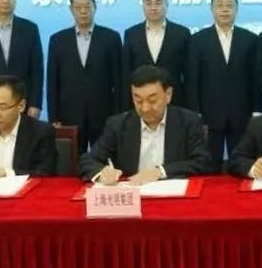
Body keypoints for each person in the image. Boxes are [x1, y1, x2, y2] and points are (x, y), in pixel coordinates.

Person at [79, 65, 210, 183]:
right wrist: (102, 172)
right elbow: (88, 160)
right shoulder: (118, 125)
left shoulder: (189, 122)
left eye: (152, 100)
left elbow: (202, 162)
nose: (145, 108)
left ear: (168, 94)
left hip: (174, 194)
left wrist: (160, 172)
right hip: (133, 194)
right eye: (138, 101)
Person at [187, 0, 262, 172]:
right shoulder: (198, 40)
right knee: (209, 166)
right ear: (212, 9)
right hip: (209, 114)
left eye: (229, 5)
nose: (225, 10)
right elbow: (192, 79)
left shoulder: (250, 39)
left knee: (242, 165)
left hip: (242, 113)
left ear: (237, 9)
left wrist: (257, 110)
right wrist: (196, 113)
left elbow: (256, 78)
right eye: (219, 5)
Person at [47, 0, 122, 154]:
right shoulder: (58, 40)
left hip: (104, 114)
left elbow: (119, 79)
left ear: (95, 7)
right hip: (69, 114)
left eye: (87, 6)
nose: (83, 11)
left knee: (105, 158)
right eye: (78, 7)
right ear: (71, 9)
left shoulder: (111, 38)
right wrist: (54, 117)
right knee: (71, 161)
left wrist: (119, 115)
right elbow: (52, 81)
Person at [122, 0, 190, 107]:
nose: (153, 8)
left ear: (166, 5)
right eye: (148, 3)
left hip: (174, 99)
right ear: (143, 6)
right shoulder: (131, 34)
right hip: (142, 101)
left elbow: (188, 72)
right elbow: (127, 71)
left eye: (158, 3)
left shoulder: (182, 33)